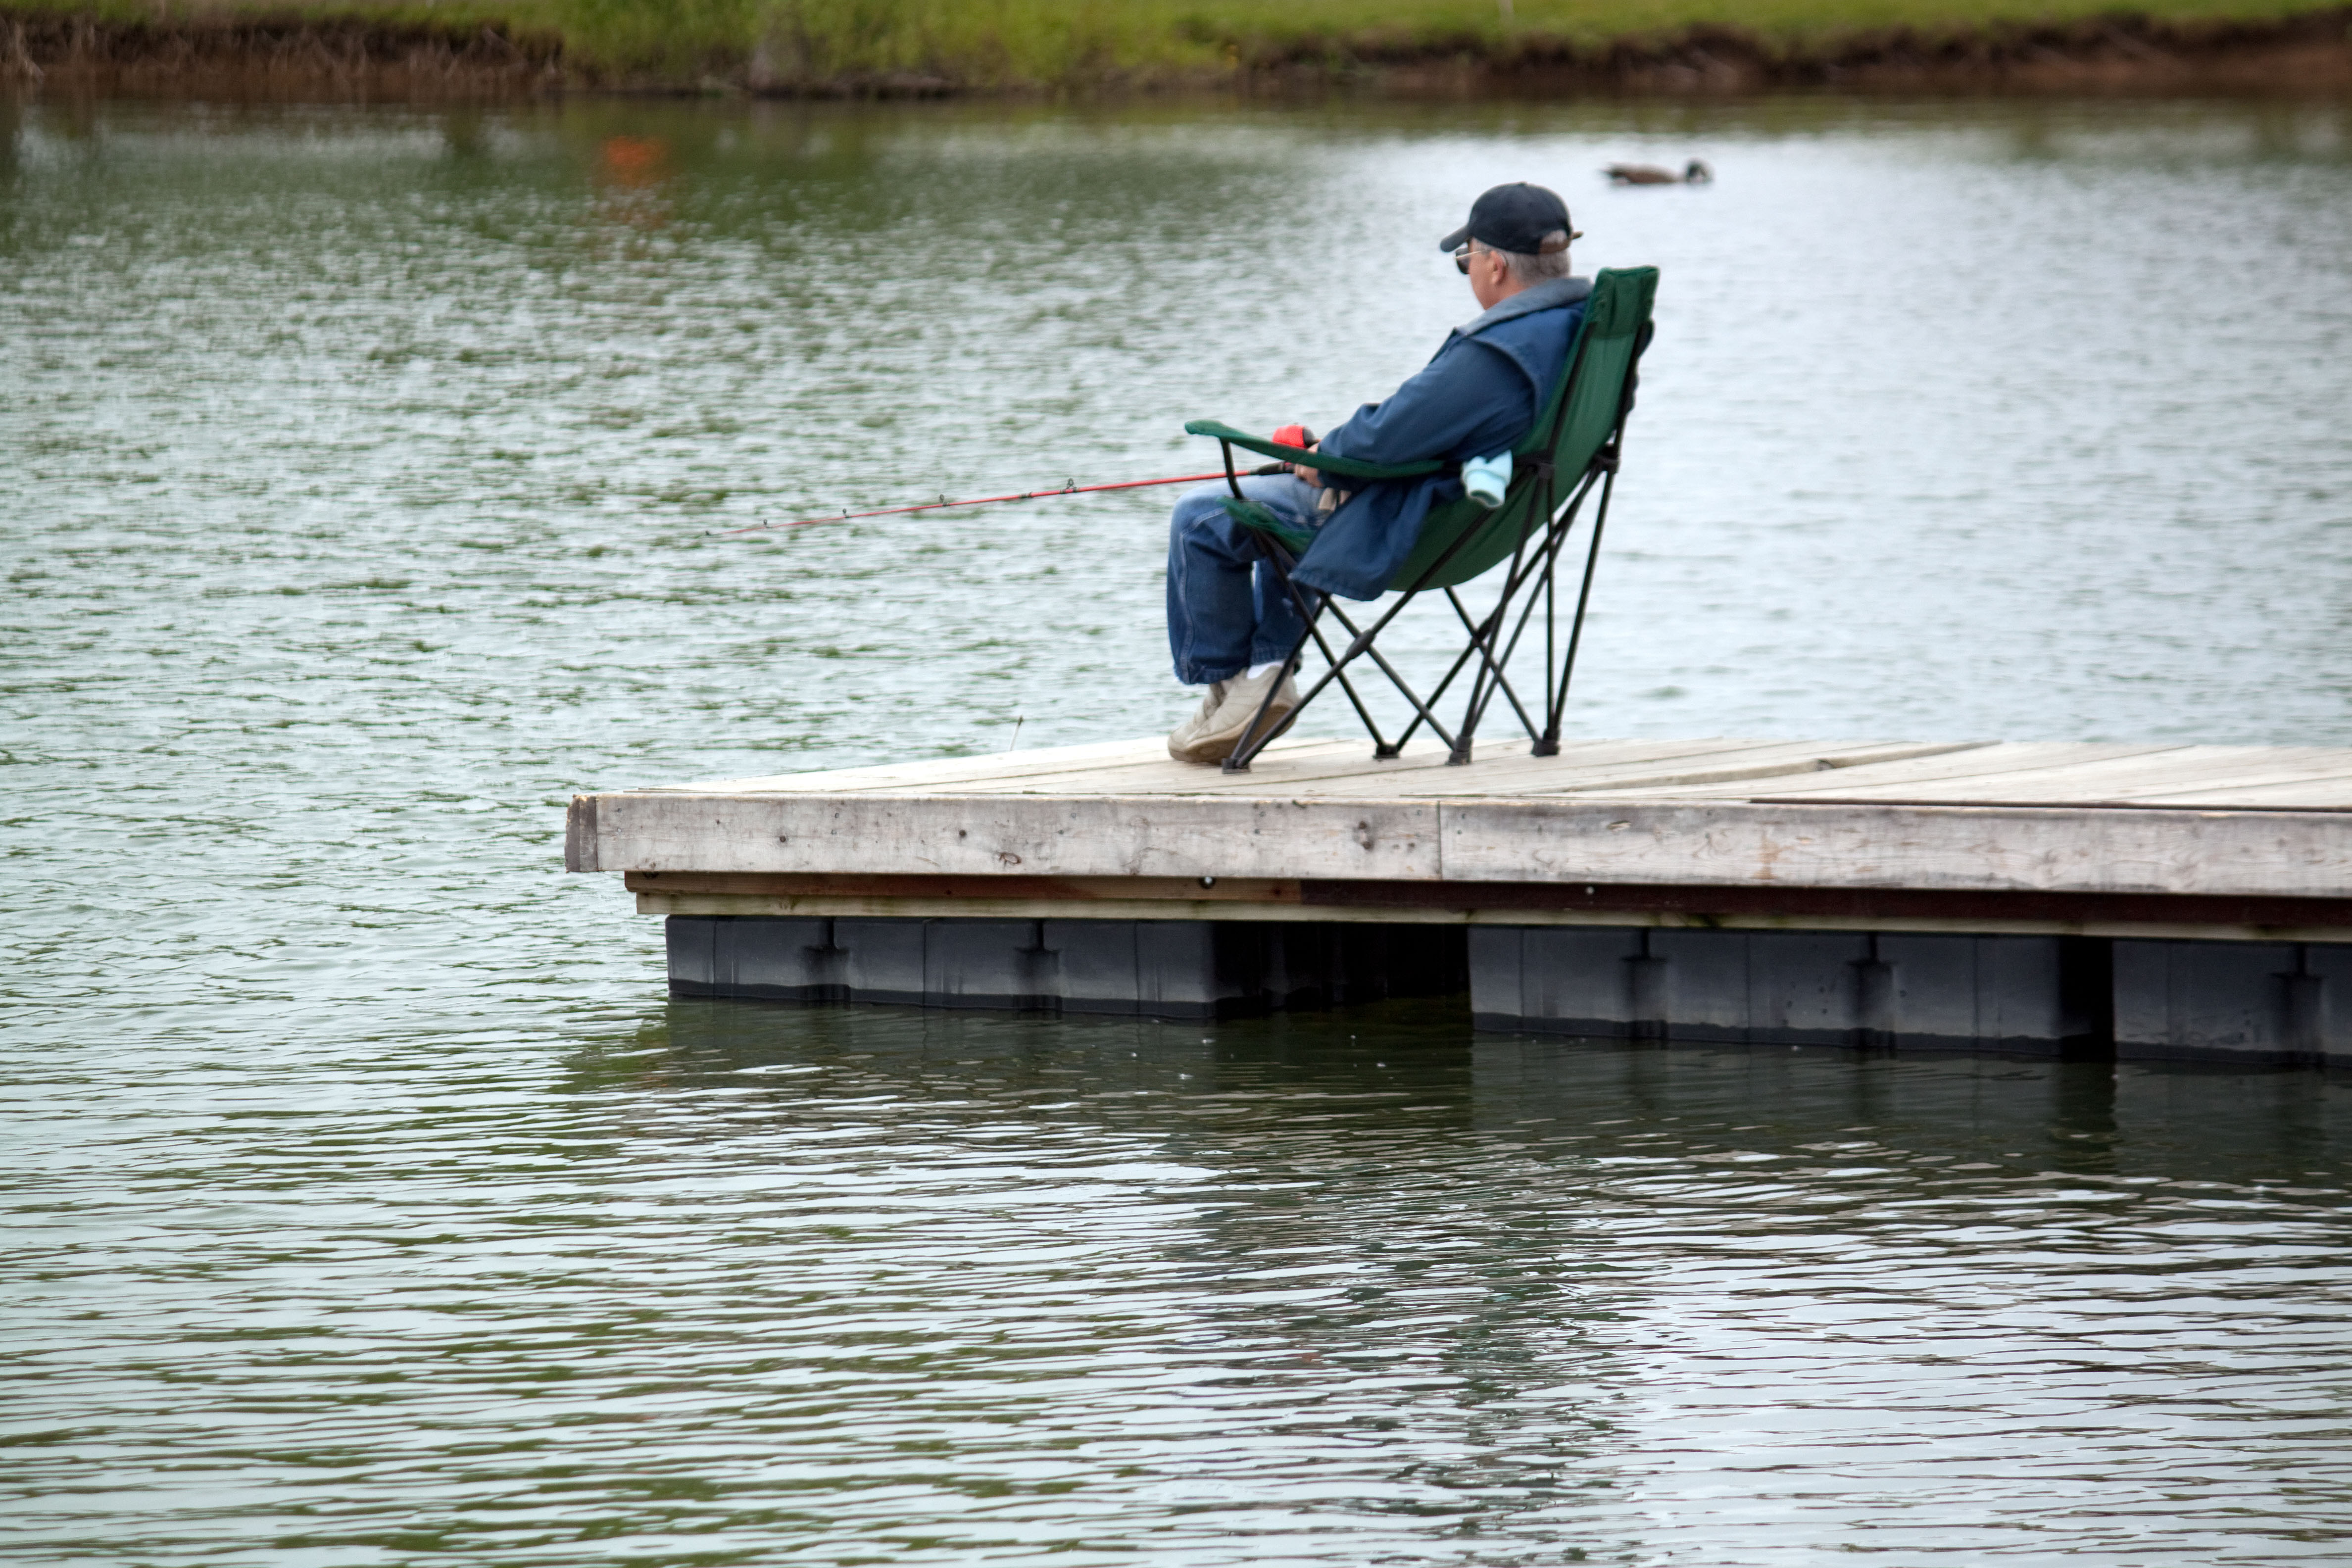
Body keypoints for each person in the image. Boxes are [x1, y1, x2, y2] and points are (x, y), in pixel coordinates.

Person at [1164, 182, 1593, 765]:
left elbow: (1383, 439)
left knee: (1205, 515)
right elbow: (1412, 429)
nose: (1467, 271)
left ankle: (1241, 682)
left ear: (1494, 264)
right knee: (1280, 508)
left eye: (1465, 258)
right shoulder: (1580, 328)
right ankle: (1266, 671)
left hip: (1421, 523)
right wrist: (1338, 453)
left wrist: (1326, 456)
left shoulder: (1498, 350)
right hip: (1498, 517)